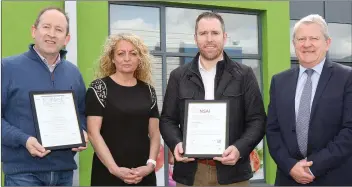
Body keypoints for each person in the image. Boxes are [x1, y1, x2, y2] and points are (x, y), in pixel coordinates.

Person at [159, 12, 266, 186]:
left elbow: (258, 120)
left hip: (233, 174)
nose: (209, 39)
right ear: (195, 38)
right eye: (203, 33)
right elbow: (167, 120)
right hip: (191, 174)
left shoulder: (244, 75)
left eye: (215, 33)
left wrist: (239, 149)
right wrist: (176, 143)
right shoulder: (178, 76)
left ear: (224, 37)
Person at [1, 7, 88, 186]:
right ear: (34, 31)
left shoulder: (73, 73)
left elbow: (82, 113)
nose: (52, 34)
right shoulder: (7, 68)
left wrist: (83, 132)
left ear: (67, 39)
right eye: (46, 27)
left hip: (64, 174)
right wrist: (23, 140)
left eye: (59, 30)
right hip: (23, 174)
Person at [266, 14, 352, 186]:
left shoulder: (346, 78)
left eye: (314, 38)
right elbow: (272, 130)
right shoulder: (279, 81)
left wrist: (313, 167)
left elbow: (349, 130)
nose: (307, 44)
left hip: (334, 177)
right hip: (288, 177)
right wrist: (290, 166)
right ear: (294, 44)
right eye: (301, 39)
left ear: (327, 43)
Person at [86, 33, 160, 186]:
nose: (127, 58)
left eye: (133, 53)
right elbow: (93, 133)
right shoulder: (99, 88)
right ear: (112, 58)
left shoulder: (149, 91)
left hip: (143, 174)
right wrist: (114, 169)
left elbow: (154, 134)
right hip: (108, 173)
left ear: (140, 58)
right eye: (121, 53)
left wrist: (150, 165)